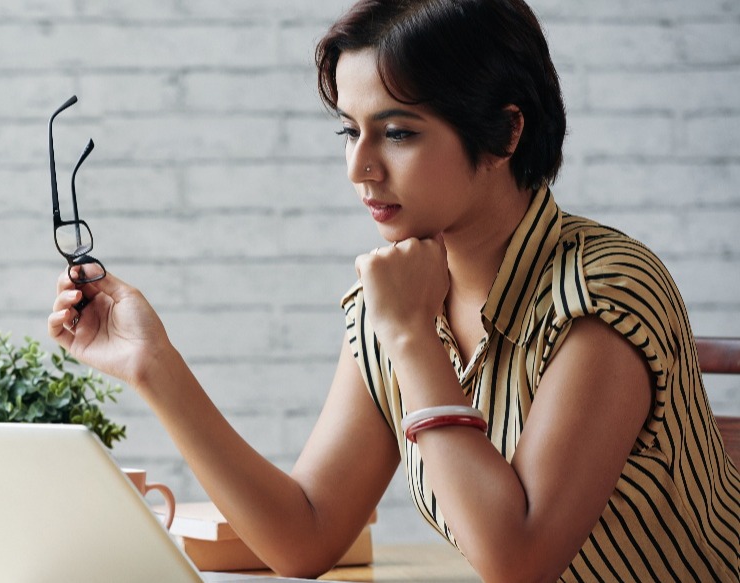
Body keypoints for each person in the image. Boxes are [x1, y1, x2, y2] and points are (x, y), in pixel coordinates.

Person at [48, 0, 740, 580]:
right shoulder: (396, 298)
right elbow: (306, 535)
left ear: (504, 132)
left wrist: (411, 336)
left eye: (398, 132)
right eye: (350, 131)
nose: (359, 167)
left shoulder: (604, 291)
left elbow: (519, 559)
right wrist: (153, 362)